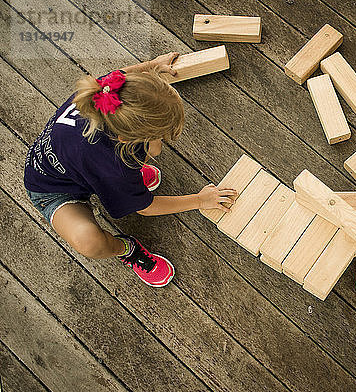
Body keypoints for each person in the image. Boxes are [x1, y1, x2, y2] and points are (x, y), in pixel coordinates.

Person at [23, 53, 237, 287]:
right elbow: (145, 208)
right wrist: (200, 200)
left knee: (150, 151)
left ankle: (125, 187)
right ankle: (127, 248)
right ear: (126, 138)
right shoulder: (112, 165)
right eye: (161, 133)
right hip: (53, 191)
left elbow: (126, 75)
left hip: (83, 167)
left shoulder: (110, 93)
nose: (164, 140)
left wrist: (154, 66)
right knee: (89, 242)